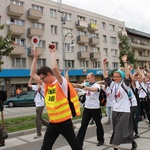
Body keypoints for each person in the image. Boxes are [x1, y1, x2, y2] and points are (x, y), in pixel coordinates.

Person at [30, 45, 82, 150]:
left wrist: (53, 52)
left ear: (49, 75)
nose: (42, 81)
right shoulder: (46, 85)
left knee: (75, 146)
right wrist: (35, 58)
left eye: (43, 78)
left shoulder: (60, 82)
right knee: (45, 147)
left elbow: (54, 67)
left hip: (65, 122)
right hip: (53, 123)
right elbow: (32, 74)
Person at [104, 55, 137, 150]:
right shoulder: (113, 84)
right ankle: (132, 141)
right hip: (115, 110)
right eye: (114, 77)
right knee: (118, 129)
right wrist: (104, 64)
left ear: (121, 77)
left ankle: (115, 148)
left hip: (125, 111)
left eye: (117, 76)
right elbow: (106, 76)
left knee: (118, 130)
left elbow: (127, 74)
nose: (115, 78)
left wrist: (125, 62)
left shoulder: (125, 84)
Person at [75, 72, 105, 148]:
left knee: (98, 124)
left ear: (93, 78)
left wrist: (84, 86)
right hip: (87, 108)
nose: (87, 79)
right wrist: (78, 85)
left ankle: (101, 139)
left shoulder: (97, 85)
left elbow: (93, 90)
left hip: (95, 108)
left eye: (88, 78)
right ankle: (79, 143)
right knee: (83, 125)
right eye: (87, 78)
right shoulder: (87, 84)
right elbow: (84, 87)